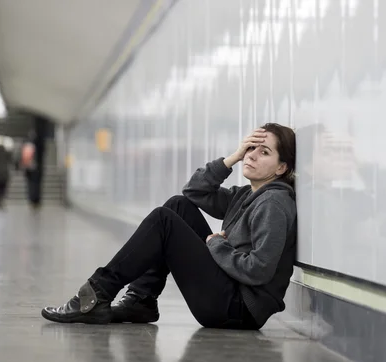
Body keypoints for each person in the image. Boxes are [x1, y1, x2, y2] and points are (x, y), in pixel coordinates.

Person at [41, 123, 297, 330]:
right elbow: (194, 191)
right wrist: (232, 158)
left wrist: (217, 245)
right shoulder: (245, 195)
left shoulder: (272, 203)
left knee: (164, 220)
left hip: (238, 309)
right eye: (251, 148)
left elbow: (259, 271)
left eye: (264, 152)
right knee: (177, 206)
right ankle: (141, 300)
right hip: (229, 293)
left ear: (282, 167)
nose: (252, 155)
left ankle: (96, 294)